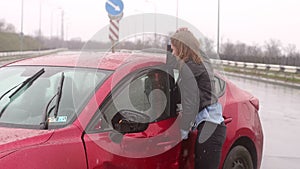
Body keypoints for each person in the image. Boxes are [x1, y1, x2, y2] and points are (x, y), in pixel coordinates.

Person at [166, 28, 227, 169]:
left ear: (181, 49)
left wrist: (183, 131)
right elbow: (170, 63)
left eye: (174, 49)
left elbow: (190, 104)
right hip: (213, 127)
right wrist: (178, 38)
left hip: (209, 129)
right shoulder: (199, 63)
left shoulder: (190, 70)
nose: (173, 53)